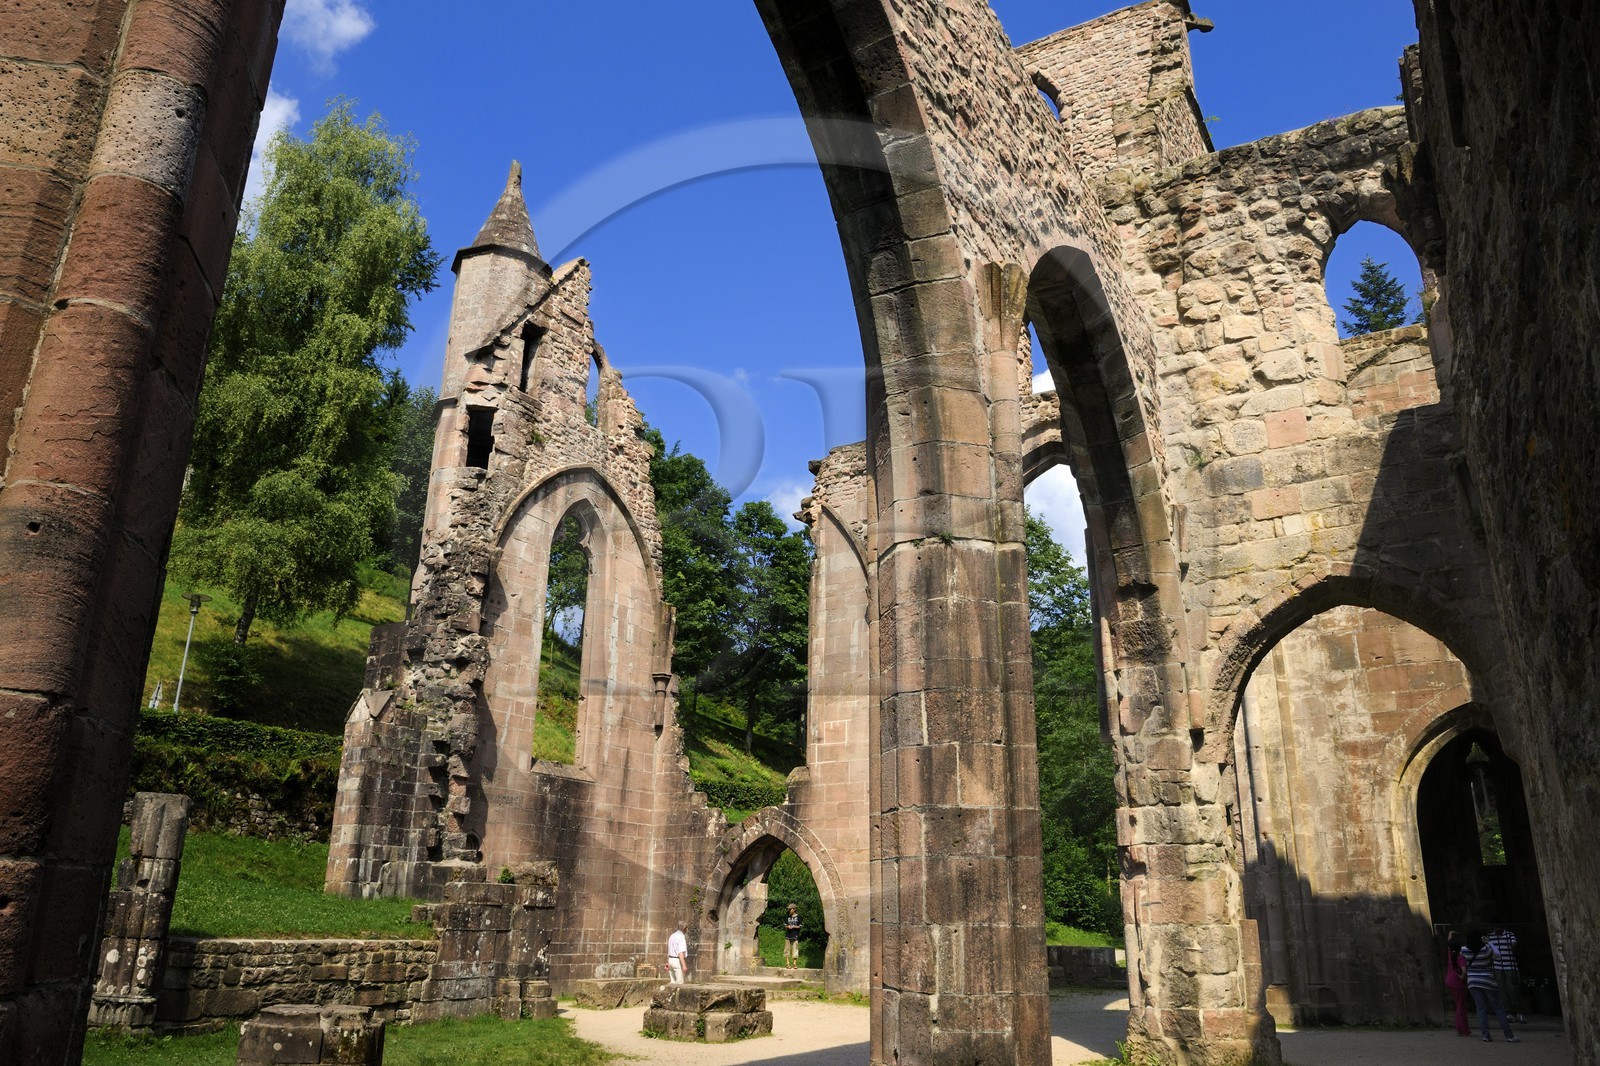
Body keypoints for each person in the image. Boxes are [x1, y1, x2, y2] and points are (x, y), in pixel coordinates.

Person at [1460, 930, 1518, 1042]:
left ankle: (1485, 1035)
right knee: (1498, 1008)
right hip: (1487, 980)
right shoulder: (1485, 949)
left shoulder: (1464, 950)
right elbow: (1497, 955)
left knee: (1481, 1009)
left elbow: (1461, 959)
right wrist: (1489, 942)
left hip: (1473, 981)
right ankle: (1509, 1035)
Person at [1486, 923, 1525, 1023]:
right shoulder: (1491, 936)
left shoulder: (1509, 935)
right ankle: (1508, 1012)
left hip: (1510, 965)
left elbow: (1514, 945)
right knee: (1502, 990)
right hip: (1498, 966)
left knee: (1513, 989)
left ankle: (1518, 1011)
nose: (1497, 928)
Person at [1444, 930, 1469, 1036]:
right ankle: (1463, 1029)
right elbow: (1464, 973)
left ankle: (1459, 1028)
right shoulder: (1460, 958)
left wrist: (1450, 934)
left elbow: (1449, 943)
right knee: (1461, 1006)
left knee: (1458, 1005)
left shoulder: (1450, 954)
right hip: (1457, 983)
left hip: (1449, 980)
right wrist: (1461, 976)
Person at [783, 902, 802, 971]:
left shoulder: (799, 917)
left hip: (795, 935)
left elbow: (800, 926)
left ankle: (794, 964)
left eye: (790, 909)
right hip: (788, 935)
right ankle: (787, 964)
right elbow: (785, 925)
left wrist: (793, 926)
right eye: (789, 909)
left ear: (794, 909)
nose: (789, 910)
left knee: (795, 949)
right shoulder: (787, 917)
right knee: (787, 949)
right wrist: (788, 926)